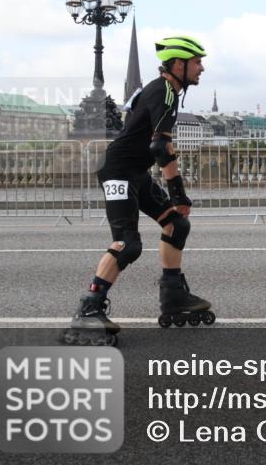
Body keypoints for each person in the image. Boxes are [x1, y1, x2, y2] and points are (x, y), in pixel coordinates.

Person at [64, 36, 214, 345]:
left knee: (176, 224)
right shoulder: (164, 93)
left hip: (135, 172)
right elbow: (160, 145)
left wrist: (177, 200)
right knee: (127, 243)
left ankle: (173, 295)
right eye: (197, 61)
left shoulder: (166, 91)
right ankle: (88, 309)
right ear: (178, 64)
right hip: (118, 171)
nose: (202, 67)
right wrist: (178, 193)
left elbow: (158, 143)